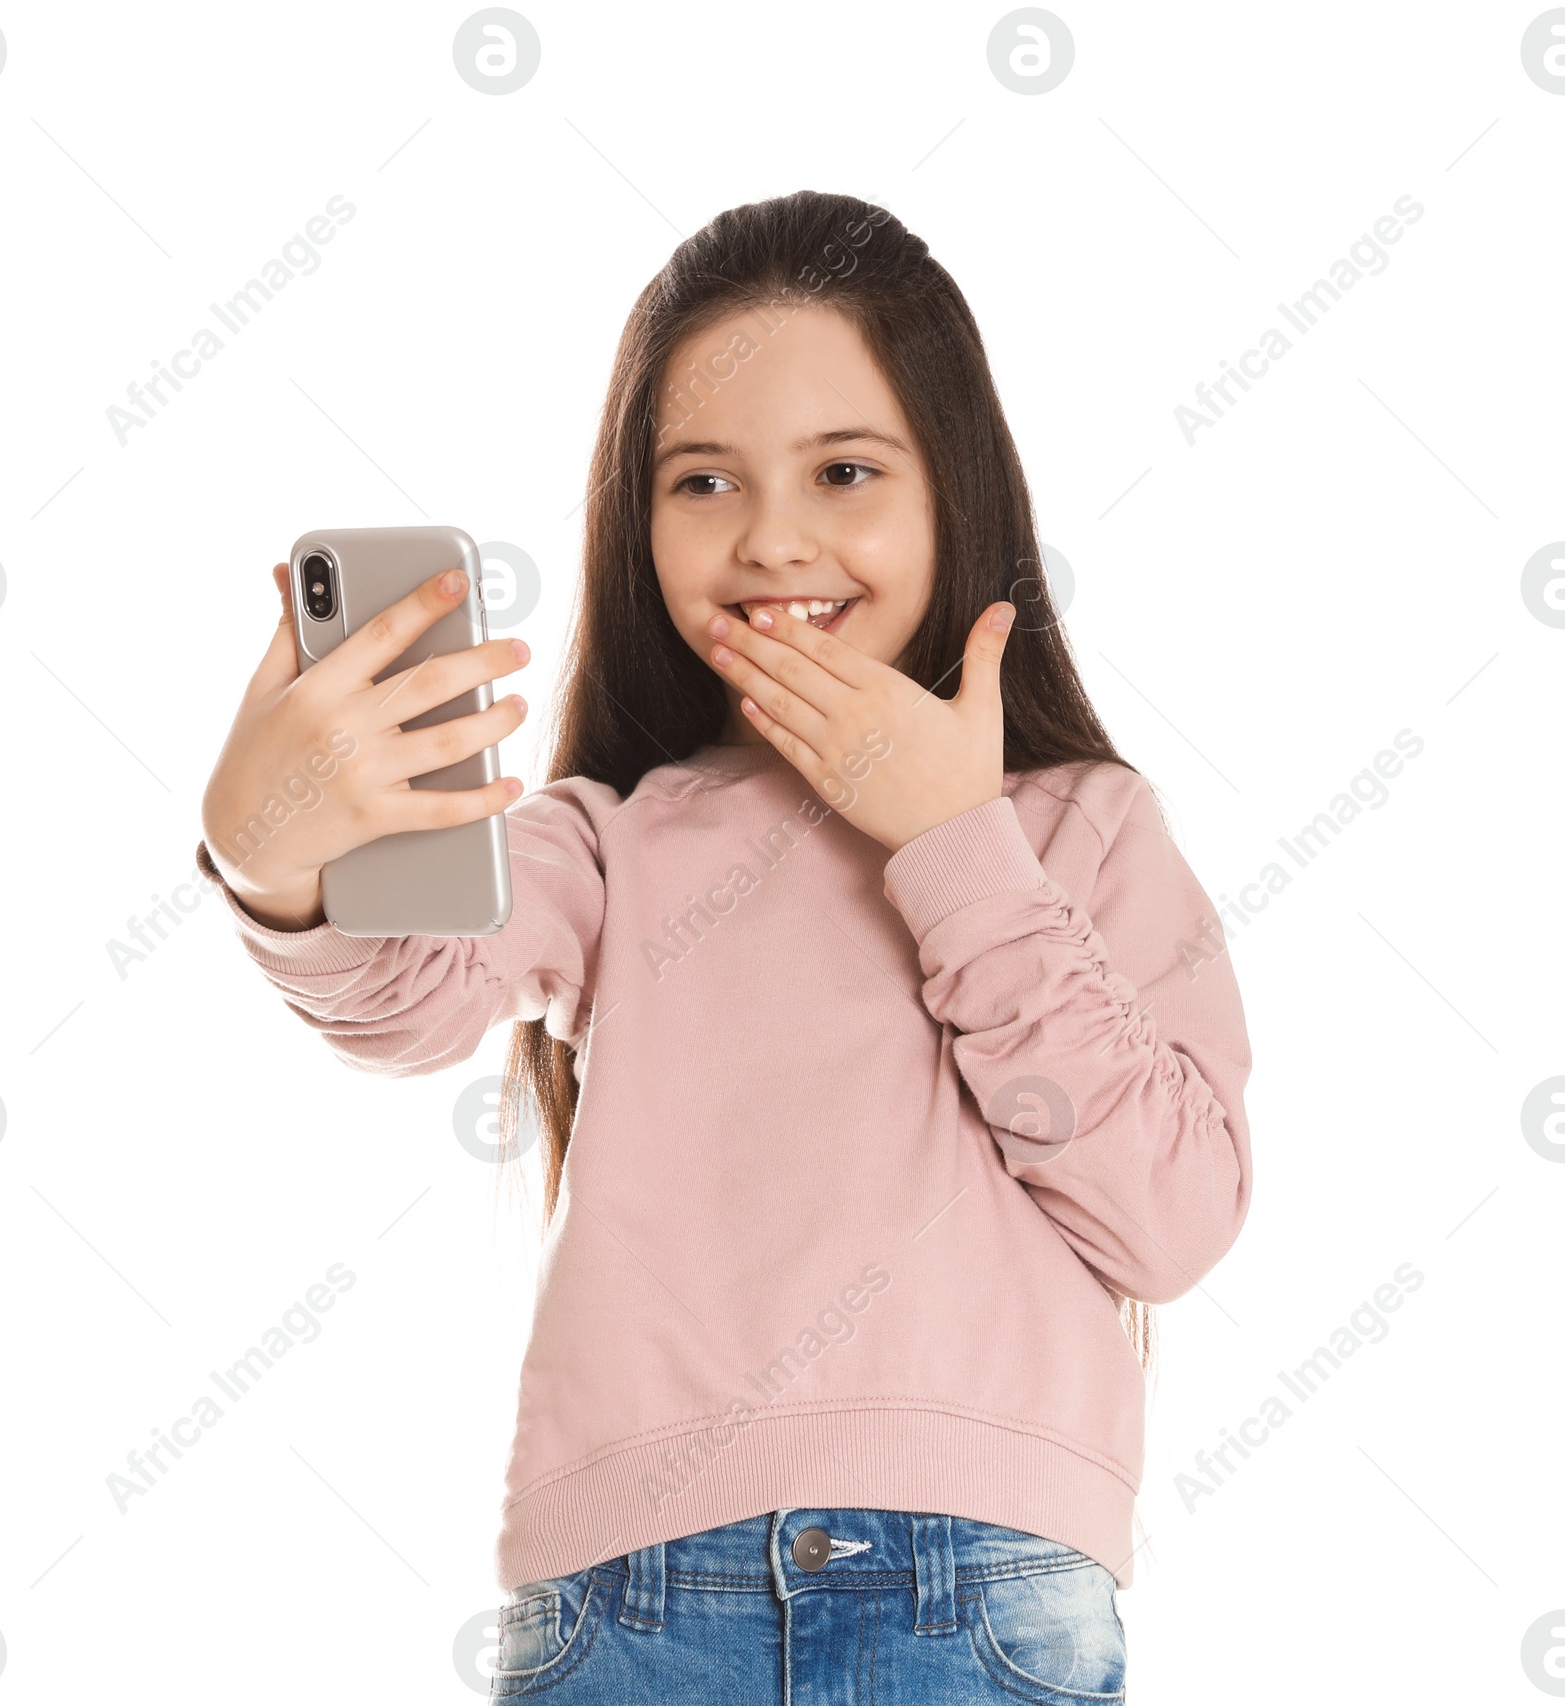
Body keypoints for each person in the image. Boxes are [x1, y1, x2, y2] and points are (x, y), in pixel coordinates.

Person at [199, 189, 1253, 1700]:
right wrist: (268, 848)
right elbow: (398, 997)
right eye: (702, 480)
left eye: (843, 469)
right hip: (628, 1603)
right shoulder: (616, 838)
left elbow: (1172, 1213)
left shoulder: (1077, 827)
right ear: (639, 518)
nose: (772, 540)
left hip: (978, 1596)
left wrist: (955, 844)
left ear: (957, 488)